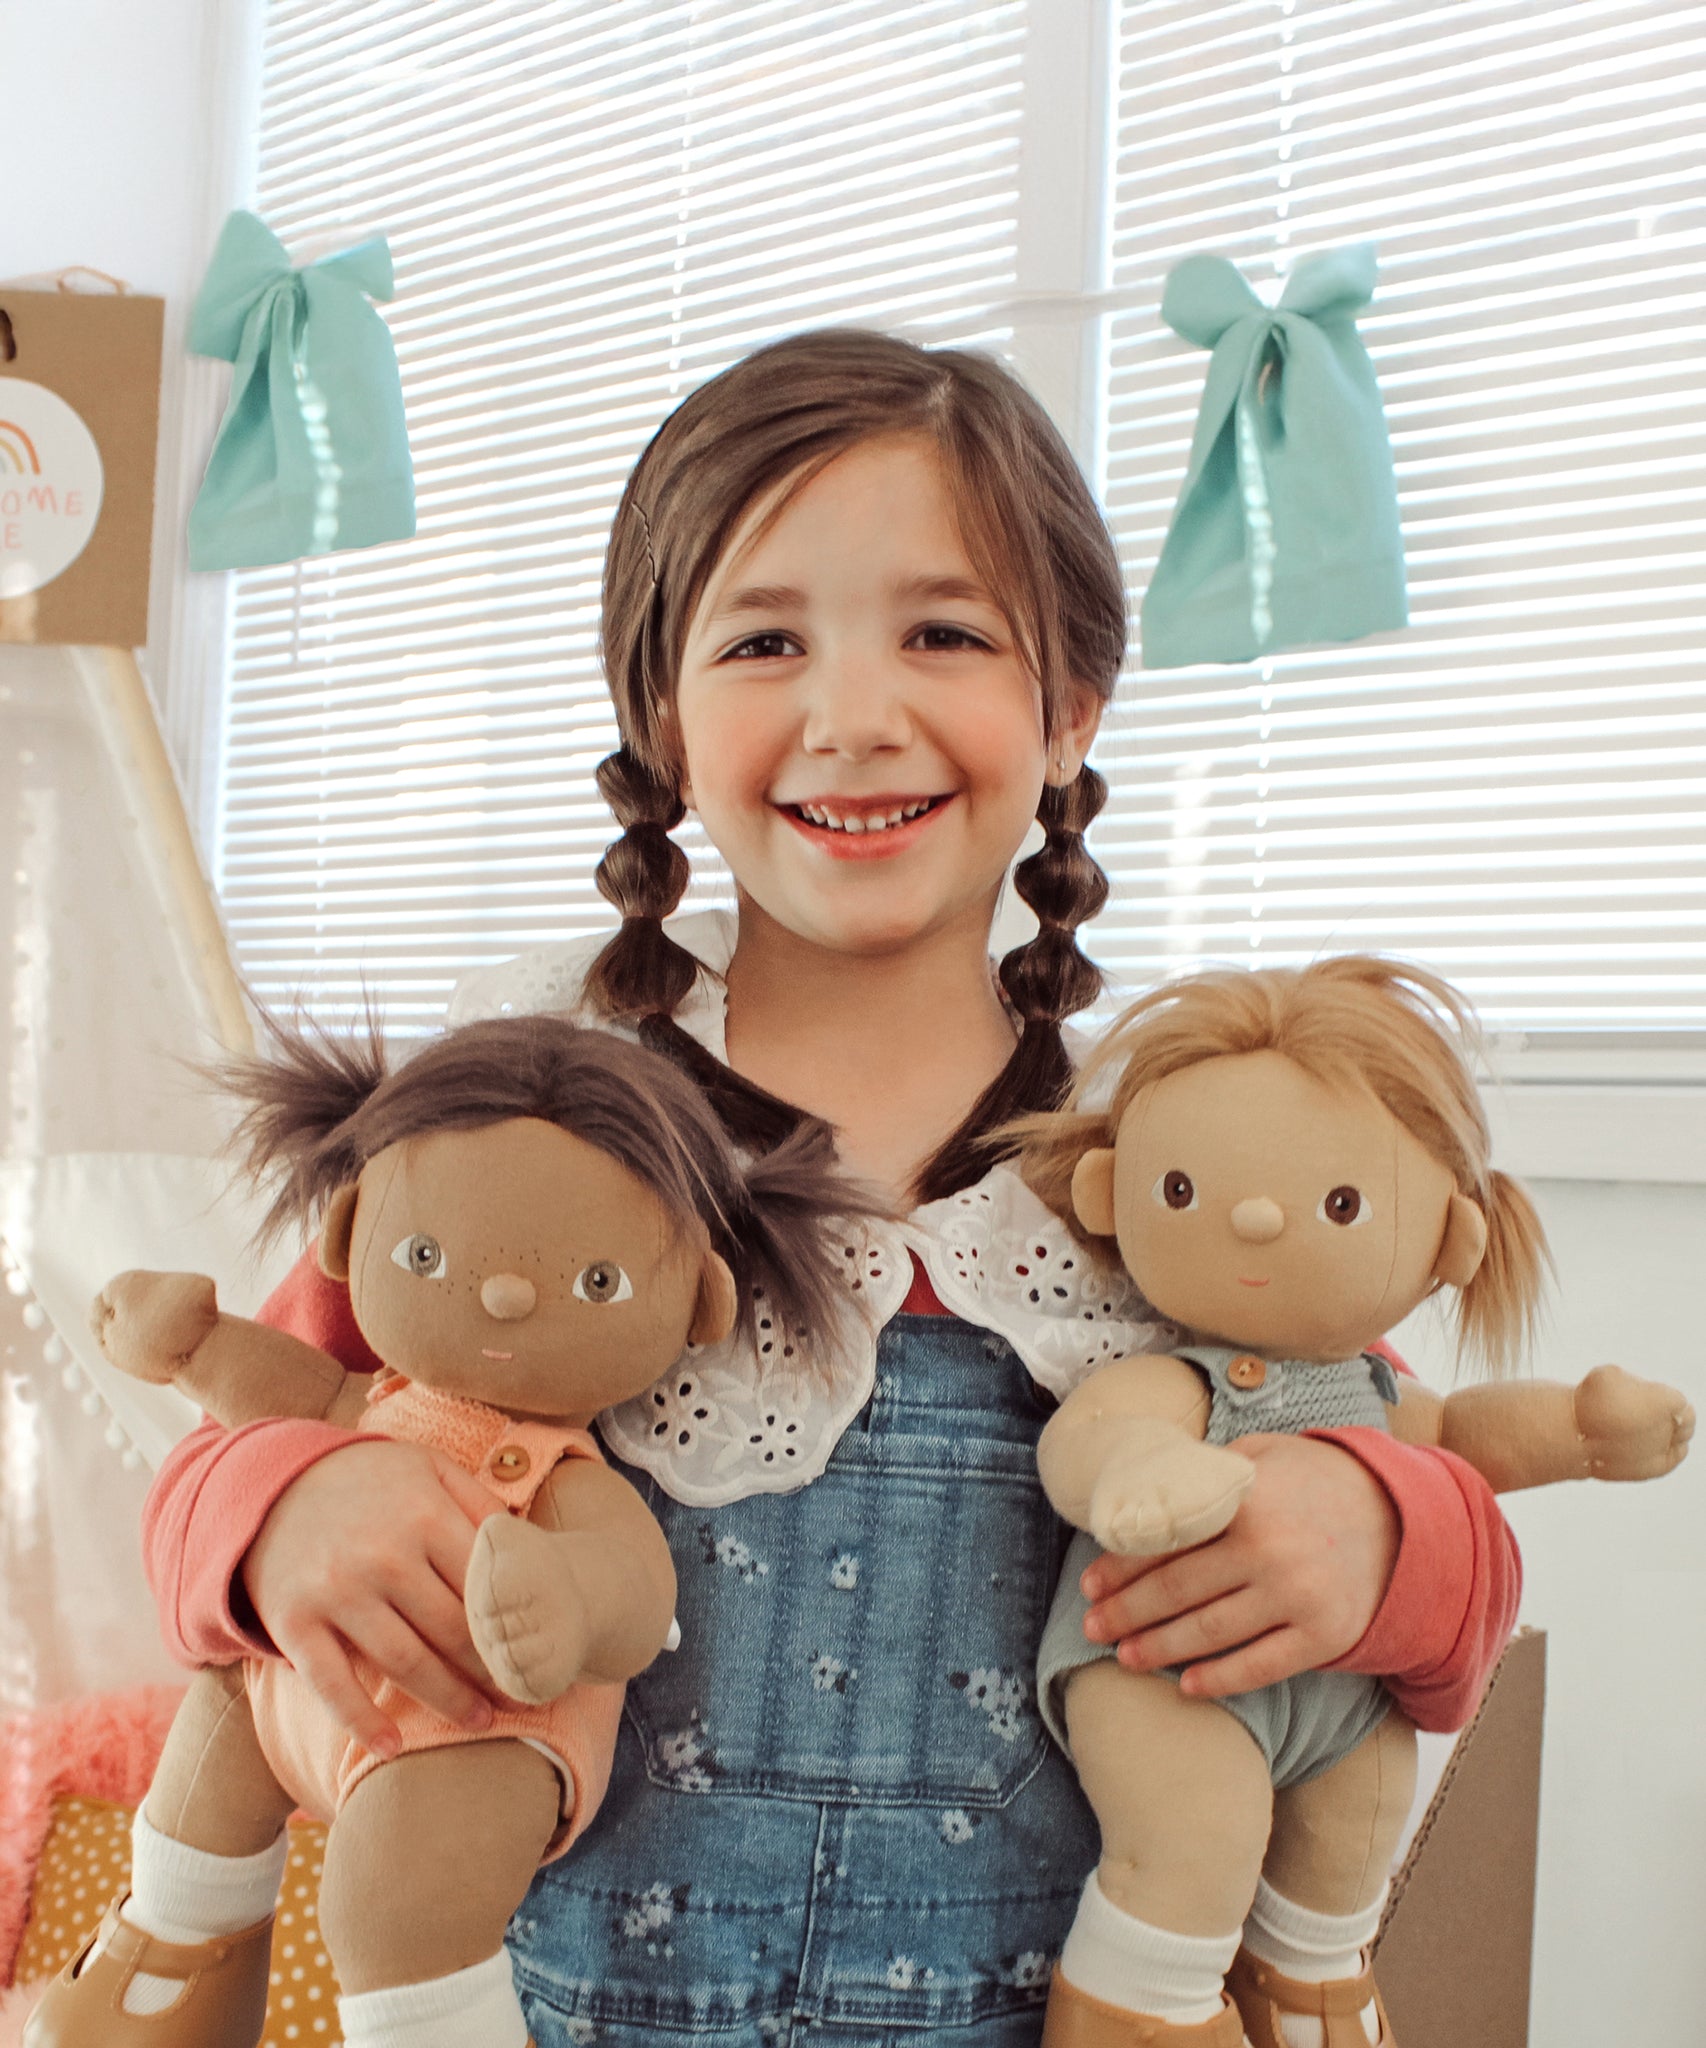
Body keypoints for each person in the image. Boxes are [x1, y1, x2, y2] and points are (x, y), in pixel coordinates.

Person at [131, 330, 1518, 2048]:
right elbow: (227, 1445)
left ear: (1069, 700)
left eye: (942, 633)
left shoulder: (1165, 1147)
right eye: (765, 640)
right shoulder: (524, 1110)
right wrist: (284, 1519)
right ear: (661, 711)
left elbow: (1438, 1501)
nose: (853, 717)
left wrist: (1382, 1536)